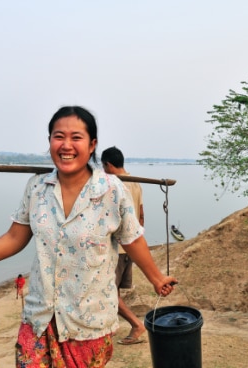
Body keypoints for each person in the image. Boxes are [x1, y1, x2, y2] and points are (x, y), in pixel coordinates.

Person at [0, 106, 177, 368]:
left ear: (92, 144)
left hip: (87, 323)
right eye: (58, 136)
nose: (66, 145)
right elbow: (15, 237)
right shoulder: (37, 188)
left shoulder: (111, 190)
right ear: (49, 141)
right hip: (39, 318)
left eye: (76, 137)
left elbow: (132, 239)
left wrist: (157, 278)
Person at [101, 146, 147, 346]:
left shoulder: (112, 185)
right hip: (130, 245)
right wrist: (136, 242)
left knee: (107, 291)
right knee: (115, 291)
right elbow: (141, 215)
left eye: (103, 167)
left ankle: (136, 324)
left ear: (108, 165)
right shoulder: (136, 182)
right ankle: (109, 329)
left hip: (117, 248)